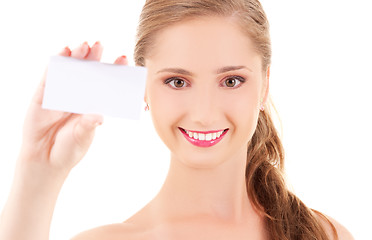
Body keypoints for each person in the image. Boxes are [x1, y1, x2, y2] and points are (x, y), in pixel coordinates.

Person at [0, 0, 354, 239]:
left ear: (264, 87)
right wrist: (38, 170)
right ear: (142, 89)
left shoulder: (324, 233)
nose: (203, 113)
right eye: (177, 81)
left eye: (232, 81)